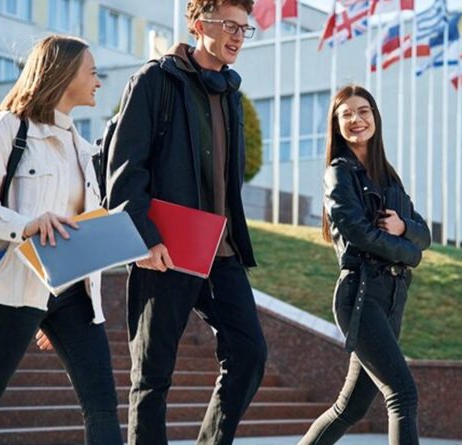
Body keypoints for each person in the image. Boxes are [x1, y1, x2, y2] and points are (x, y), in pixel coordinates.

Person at [0, 35, 122, 445]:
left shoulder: (81, 148)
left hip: (72, 292)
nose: (99, 82)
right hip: (15, 288)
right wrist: (28, 225)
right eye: (92, 73)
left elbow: (77, 221)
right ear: (64, 74)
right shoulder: (5, 128)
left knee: (103, 404)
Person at [106, 1, 267, 444]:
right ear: (199, 25)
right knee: (152, 375)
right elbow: (125, 169)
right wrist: (143, 238)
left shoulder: (231, 92)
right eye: (230, 26)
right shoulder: (155, 80)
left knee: (250, 352)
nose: (238, 36)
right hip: (166, 249)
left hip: (221, 249)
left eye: (244, 29)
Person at [299, 85, 432, 445]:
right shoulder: (339, 174)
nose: (357, 120)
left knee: (350, 408)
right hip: (360, 294)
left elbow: (424, 233)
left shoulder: (389, 177)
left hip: (391, 297)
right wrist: (410, 253)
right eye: (347, 115)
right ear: (337, 125)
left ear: (375, 117)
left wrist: (405, 229)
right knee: (402, 394)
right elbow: (358, 234)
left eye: (364, 111)